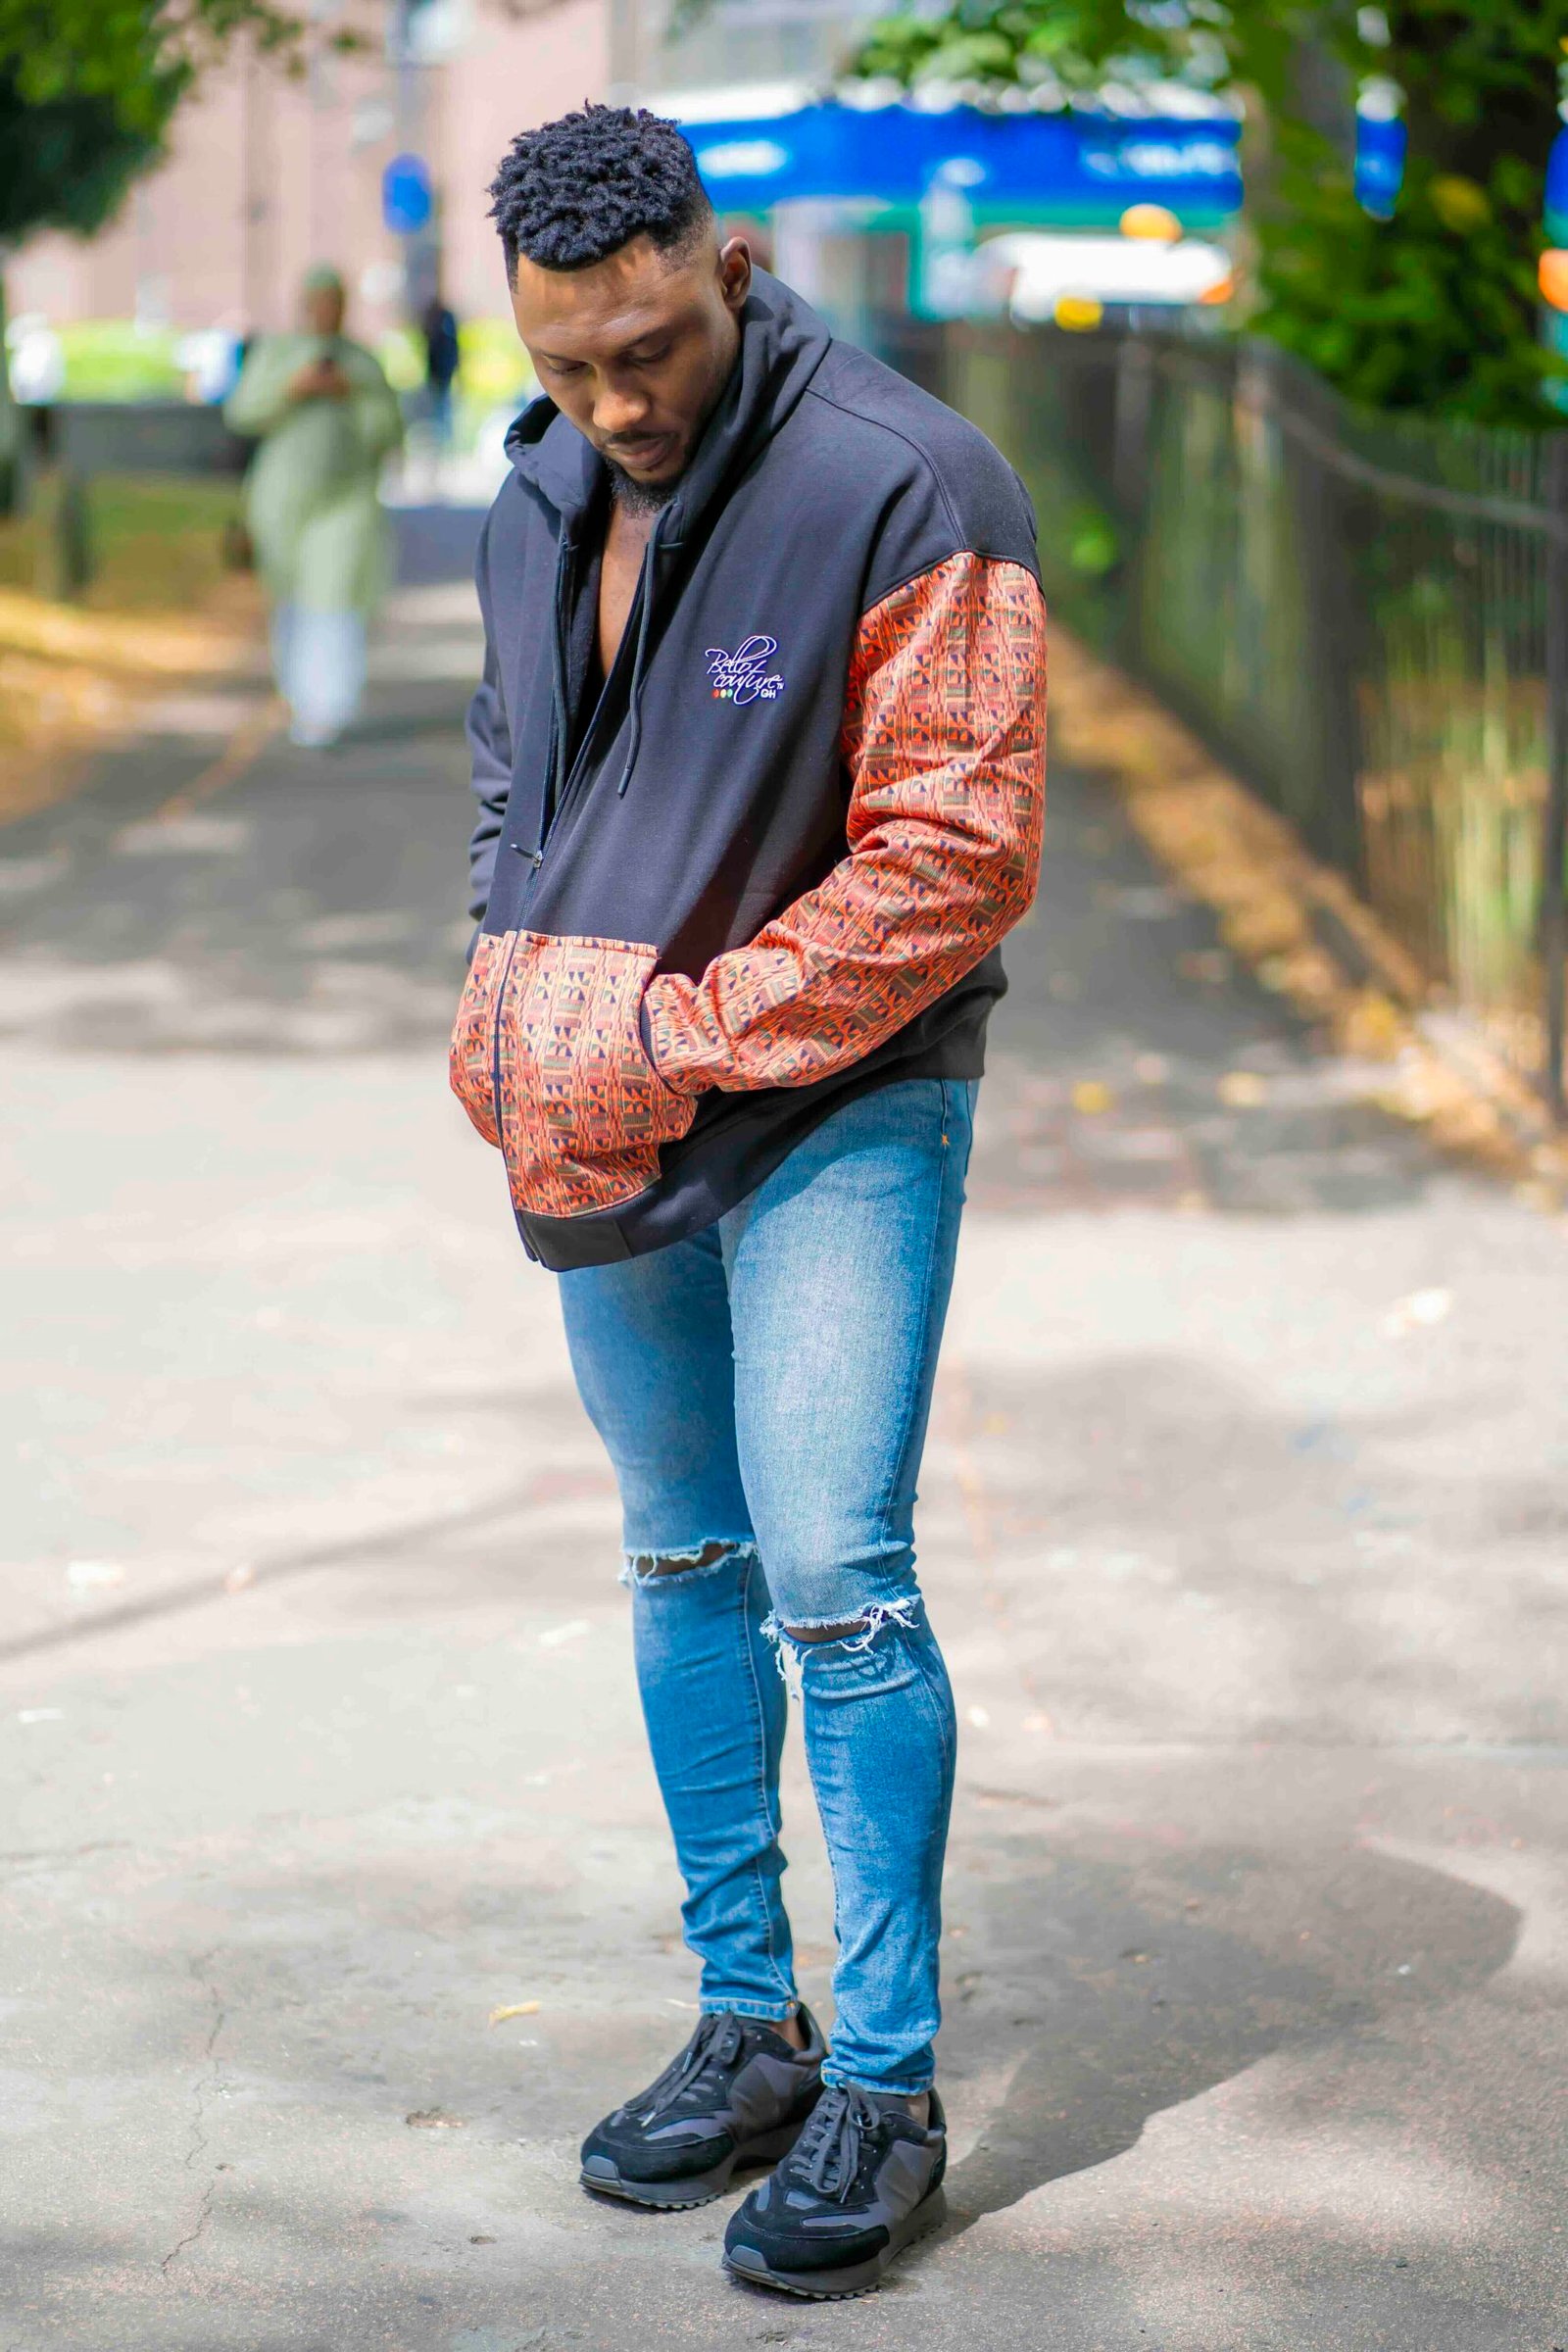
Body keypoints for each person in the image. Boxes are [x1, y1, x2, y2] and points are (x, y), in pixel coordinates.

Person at [451, 105, 1046, 2300]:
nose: (616, 403)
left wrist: (672, 1032)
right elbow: (509, 770)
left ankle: (884, 2084)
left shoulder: (906, 484)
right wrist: (509, 978)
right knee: (679, 1557)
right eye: (567, 362)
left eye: (650, 350)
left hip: (840, 1110)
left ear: (731, 266)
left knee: (837, 1580)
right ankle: (748, 2026)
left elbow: (955, 857)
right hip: (606, 1116)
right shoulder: (538, 488)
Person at [225, 266, 403, 748]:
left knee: (336, 599)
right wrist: (293, 388)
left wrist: (352, 393)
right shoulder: (278, 354)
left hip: (345, 503)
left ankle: (329, 707)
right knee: (292, 601)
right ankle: (298, 695)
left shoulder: (362, 363)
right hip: (281, 502)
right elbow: (242, 413)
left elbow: (387, 431)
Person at [419, 290, 462, 449]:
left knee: (444, 406)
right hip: (435, 372)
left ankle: (445, 440)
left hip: (444, 371)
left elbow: (453, 345)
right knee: (438, 407)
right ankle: (440, 438)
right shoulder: (434, 320)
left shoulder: (446, 319)